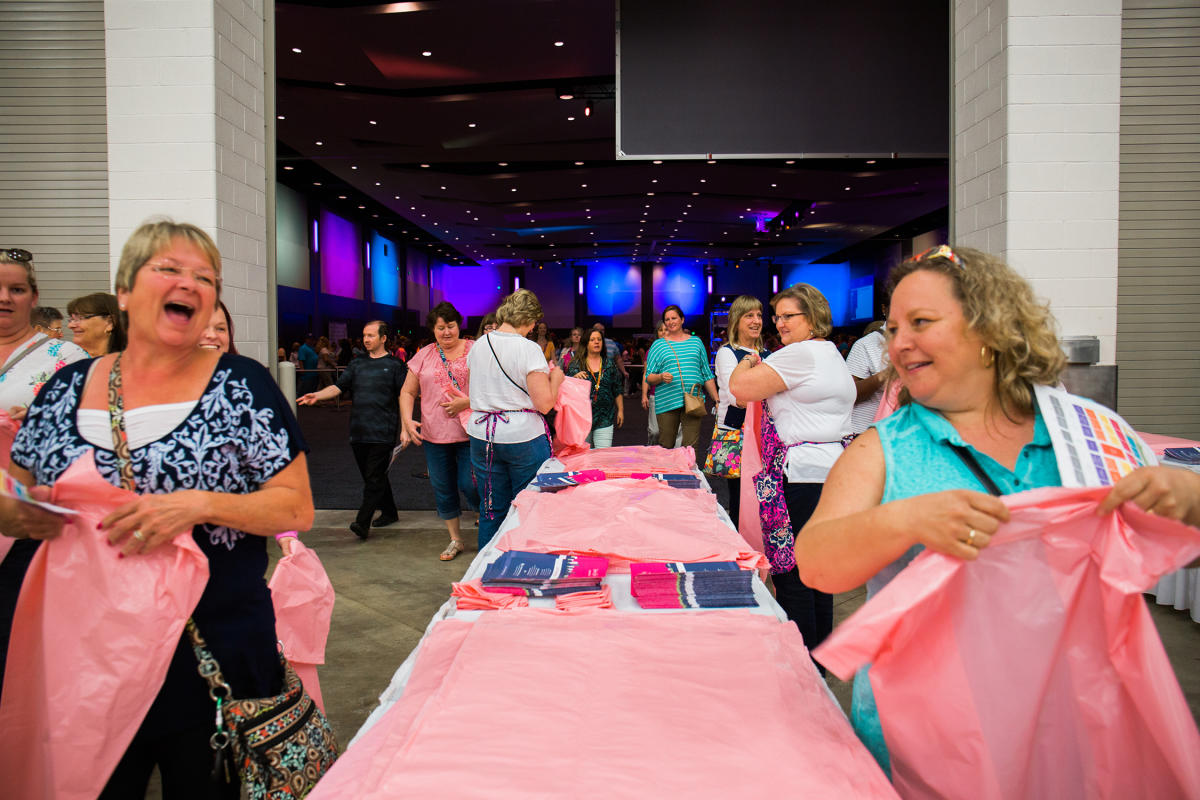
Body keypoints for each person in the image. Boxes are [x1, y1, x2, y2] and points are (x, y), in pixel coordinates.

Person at [793, 244, 1200, 772]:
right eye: (894, 329)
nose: (898, 344)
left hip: (1080, 724)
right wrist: (907, 519)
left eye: (920, 322)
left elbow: (1165, 551)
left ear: (990, 328)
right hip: (930, 739)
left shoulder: (1088, 433)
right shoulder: (883, 449)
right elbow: (818, 563)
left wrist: (1191, 505)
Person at [1, 219, 314, 797]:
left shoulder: (241, 386)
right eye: (169, 269)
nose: (191, 284)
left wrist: (196, 505)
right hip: (84, 648)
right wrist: (18, 515)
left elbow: (295, 506)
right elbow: (15, 491)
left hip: (207, 645)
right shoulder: (66, 388)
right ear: (124, 291)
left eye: (206, 277)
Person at [728, 283, 855, 668]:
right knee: (820, 569)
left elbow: (738, 388)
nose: (779, 324)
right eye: (777, 316)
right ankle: (822, 657)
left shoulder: (799, 354)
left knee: (793, 571)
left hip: (802, 475)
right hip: (832, 471)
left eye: (788, 316)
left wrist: (749, 360)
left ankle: (803, 662)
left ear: (812, 319)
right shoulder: (830, 353)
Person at [0, 246, 90, 692]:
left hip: (26, 519)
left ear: (33, 297)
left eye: (16, 289)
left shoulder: (63, 359)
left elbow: (85, 441)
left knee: (14, 636)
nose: (4, 297)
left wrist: (32, 426)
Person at [467, 289, 563, 549]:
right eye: (534, 322)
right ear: (529, 319)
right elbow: (544, 403)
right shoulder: (528, 349)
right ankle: (521, 567)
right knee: (528, 505)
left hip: (481, 434)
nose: (533, 328)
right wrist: (556, 379)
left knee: (490, 508)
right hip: (522, 437)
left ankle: (487, 572)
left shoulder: (479, 345)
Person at [299, 321, 406, 539]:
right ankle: (390, 512)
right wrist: (316, 395)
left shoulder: (395, 365)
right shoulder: (357, 364)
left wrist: (405, 428)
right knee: (372, 477)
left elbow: (403, 397)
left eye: (371, 335)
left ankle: (362, 523)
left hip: (383, 431)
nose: (366, 339)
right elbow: (338, 387)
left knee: (374, 477)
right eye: (364, 335)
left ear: (383, 338)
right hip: (358, 430)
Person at [400, 302, 480, 561]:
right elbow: (407, 391)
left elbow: (493, 387)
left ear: (459, 325)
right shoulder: (424, 355)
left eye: (451, 326)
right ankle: (455, 539)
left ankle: (484, 515)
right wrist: (406, 422)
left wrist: (466, 402)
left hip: (471, 431)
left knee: (471, 484)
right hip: (434, 434)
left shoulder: (475, 350)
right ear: (433, 330)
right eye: (440, 328)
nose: (446, 332)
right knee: (442, 487)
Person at [707, 295, 769, 526]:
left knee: (762, 491)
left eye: (759, 315)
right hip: (737, 431)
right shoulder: (728, 353)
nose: (756, 321)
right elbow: (736, 396)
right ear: (736, 321)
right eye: (749, 316)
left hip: (763, 433)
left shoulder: (767, 354)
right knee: (741, 494)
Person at [643, 305, 718, 449]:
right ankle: (667, 472)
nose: (671, 321)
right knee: (666, 445)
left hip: (693, 399)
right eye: (667, 319)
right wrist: (660, 377)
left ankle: (688, 472)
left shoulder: (696, 342)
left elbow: (707, 374)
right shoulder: (658, 345)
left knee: (691, 446)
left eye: (674, 318)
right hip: (666, 402)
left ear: (682, 319)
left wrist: (716, 399)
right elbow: (649, 377)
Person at [568, 328, 624, 448]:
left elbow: (617, 389)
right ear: (586, 343)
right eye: (592, 340)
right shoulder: (576, 365)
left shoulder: (609, 364)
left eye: (599, 339)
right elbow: (566, 390)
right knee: (584, 457)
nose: (597, 342)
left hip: (605, 417)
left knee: (603, 456)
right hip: (582, 419)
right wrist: (573, 379)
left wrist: (621, 410)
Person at [845, 319, 888, 435]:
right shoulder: (865, 345)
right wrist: (886, 374)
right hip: (864, 432)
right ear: (885, 309)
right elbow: (848, 393)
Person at [67, 291, 125, 357]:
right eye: (71, 319)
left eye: (79, 318)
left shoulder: (127, 363)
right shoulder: (71, 360)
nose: (70, 326)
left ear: (110, 323)